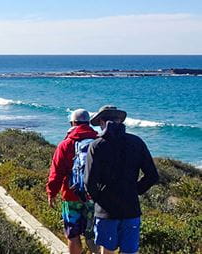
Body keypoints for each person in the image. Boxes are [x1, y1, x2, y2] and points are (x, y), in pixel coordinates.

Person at [85, 105, 159, 254]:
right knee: (129, 251)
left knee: (107, 250)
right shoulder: (136, 142)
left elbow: (89, 182)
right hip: (130, 208)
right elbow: (152, 175)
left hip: (106, 210)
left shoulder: (96, 146)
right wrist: (135, 190)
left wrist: (99, 198)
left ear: (101, 122)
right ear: (120, 121)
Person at [46, 109, 98, 254]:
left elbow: (56, 173)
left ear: (72, 123)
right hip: (94, 197)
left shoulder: (66, 144)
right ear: (89, 123)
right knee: (94, 234)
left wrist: (52, 193)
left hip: (71, 196)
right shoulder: (99, 141)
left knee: (73, 235)